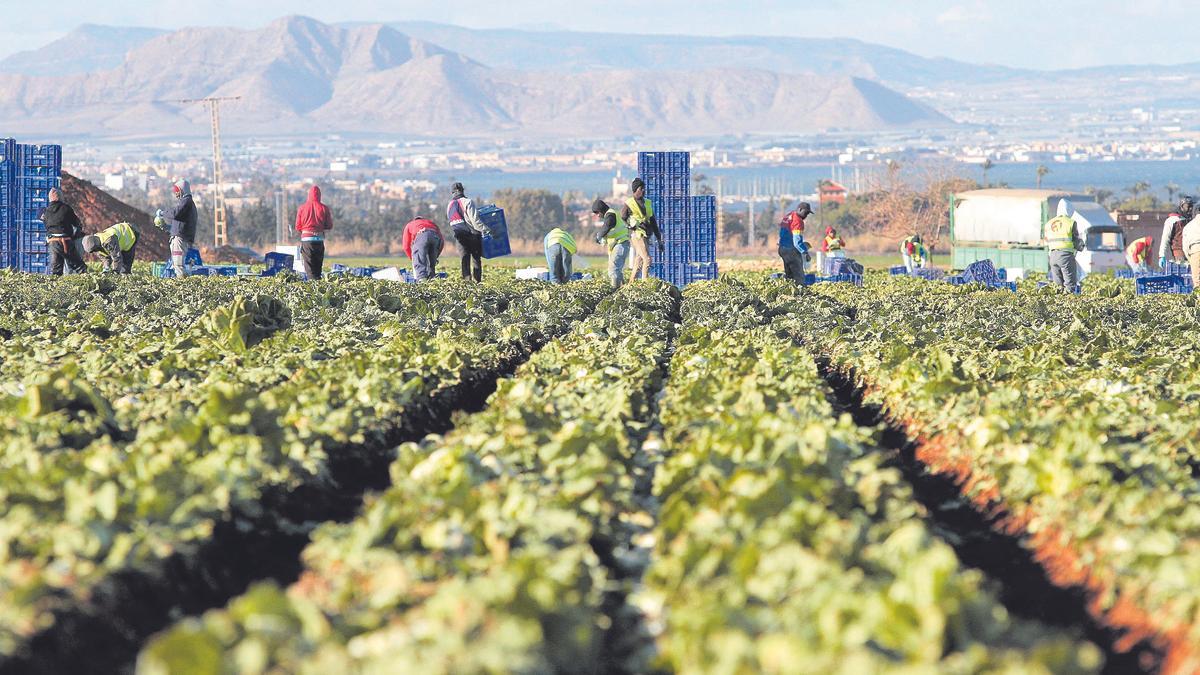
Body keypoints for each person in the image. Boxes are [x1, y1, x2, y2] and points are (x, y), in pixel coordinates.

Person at [446, 182, 492, 282]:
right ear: (462, 190)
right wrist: (487, 230)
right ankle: (477, 282)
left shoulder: (449, 205)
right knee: (476, 259)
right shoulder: (468, 202)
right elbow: (475, 222)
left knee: (464, 260)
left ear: (452, 192)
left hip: (459, 236)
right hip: (472, 235)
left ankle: (467, 283)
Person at [621, 178, 665, 280]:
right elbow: (623, 217)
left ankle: (631, 283)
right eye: (641, 188)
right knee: (647, 259)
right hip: (637, 236)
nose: (644, 190)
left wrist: (659, 240)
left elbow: (653, 222)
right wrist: (630, 224)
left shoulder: (648, 203)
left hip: (646, 235)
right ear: (636, 190)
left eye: (644, 188)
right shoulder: (629, 203)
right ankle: (645, 283)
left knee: (639, 260)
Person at [155, 178, 197, 278]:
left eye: (177, 191)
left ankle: (183, 287)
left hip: (180, 240)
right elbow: (180, 225)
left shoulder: (186, 202)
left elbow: (175, 214)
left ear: (182, 190)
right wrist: (165, 227)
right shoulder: (187, 203)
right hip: (181, 238)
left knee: (178, 266)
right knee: (178, 265)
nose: (175, 193)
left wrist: (162, 213)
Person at [40, 187, 87, 275]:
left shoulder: (46, 212)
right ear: (61, 197)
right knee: (79, 266)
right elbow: (77, 223)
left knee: (56, 271)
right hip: (66, 242)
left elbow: (44, 222)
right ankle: (88, 282)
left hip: (52, 243)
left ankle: (56, 287)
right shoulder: (66, 208)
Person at [295, 185, 333, 280]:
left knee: (309, 267)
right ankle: (318, 285)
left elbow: (298, 226)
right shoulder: (324, 208)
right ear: (319, 195)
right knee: (317, 267)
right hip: (319, 240)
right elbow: (329, 225)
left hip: (306, 240)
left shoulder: (302, 208)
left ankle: (312, 287)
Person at [592, 199, 631, 288]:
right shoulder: (609, 216)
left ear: (601, 209)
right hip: (619, 245)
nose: (598, 215)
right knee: (617, 270)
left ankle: (615, 291)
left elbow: (607, 226)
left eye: (597, 213)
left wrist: (599, 236)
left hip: (621, 243)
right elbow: (609, 230)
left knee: (613, 270)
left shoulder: (610, 215)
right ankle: (623, 289)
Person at [1044, 199, 1081, 291]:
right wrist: (1081, 247)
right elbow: (1076, 240)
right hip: (1066, 256)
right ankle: (1068, 302)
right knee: (1070, 284)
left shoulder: (1049, 223)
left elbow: (1046, 240)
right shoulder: (1071, 222)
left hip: (1052, 256)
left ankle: (1058, 303)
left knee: (1058, 286)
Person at [777, 202, 811, 284]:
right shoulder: (798, 221)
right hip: (791, 251)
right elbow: (797, 243)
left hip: (782, 248)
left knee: (789, 275)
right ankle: (800, 293)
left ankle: (788, 292)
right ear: (800, 209)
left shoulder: (788, 216)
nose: (806, 216)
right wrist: (805, 252)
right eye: (805, 213)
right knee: (798, 275)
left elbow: (781, 233)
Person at [401, 217, 444, 281]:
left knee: (418, 258)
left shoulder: (410, 224)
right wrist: (436, 256)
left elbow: (406, 246)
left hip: (422, 234)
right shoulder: (431, 223)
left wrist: (413, 258)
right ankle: (432, 278)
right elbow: (442, 241)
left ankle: (422, 280)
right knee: (431, 265)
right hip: (435, 237)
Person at [1159, 196, 1194, 269]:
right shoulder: (1172, 219)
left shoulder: (1191, 219)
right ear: (1182, 206)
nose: (1190, 209)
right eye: (1188, 206)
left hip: (1191, 251)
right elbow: (1165, 238)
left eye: (1191, 206)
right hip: (1179, 252)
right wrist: (1162, 255)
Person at [1183, 213, 1200, 290]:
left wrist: (1190, 258)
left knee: (1197, 281)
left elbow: (1185, 246)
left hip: (1195, 251)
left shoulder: (1188, 226)